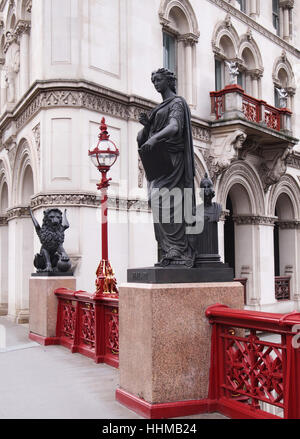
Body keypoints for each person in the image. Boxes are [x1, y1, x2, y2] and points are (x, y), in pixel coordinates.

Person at [137, 68, 196, 267]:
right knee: (156, 200)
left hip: (173, 161)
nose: (155, 83)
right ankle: (168, 248)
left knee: (165, 200)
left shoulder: (177, 103)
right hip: (159, 161)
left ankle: (178, 248)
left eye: (158, 79)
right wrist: (147, 127)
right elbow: (140, 138)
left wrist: (154, 137)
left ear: (168, 81)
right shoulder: (159, 107)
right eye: (153, 80)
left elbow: (174, 127)